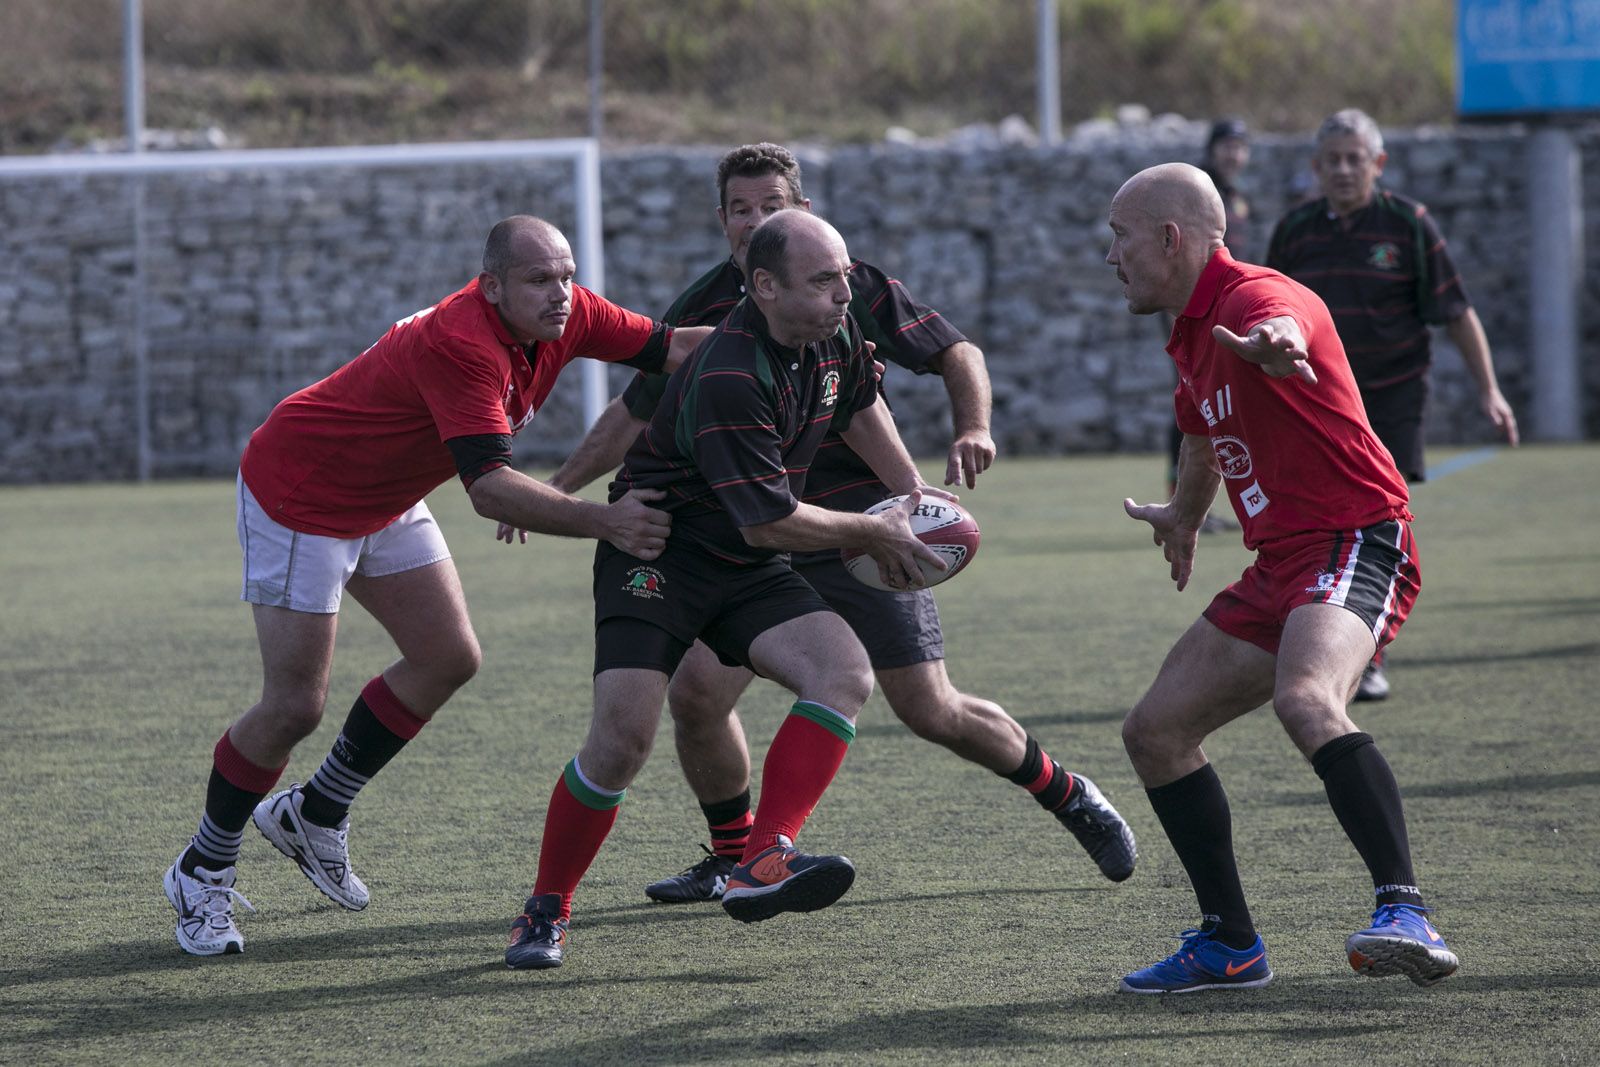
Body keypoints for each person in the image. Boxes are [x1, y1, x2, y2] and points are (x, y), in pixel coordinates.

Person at [534, 142, 1136, 909]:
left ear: (804, 211)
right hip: (758, 534)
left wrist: (914, 496)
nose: (757, 220)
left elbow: (894, 385)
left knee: (930, 707)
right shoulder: (707, 318)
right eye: (742, 209)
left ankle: (1068, 793)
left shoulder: (844, 286)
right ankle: (742, 857)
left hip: (856, 529)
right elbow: (635, 412)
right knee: (696, 695)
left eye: (773, 205)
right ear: (724, 225)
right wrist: (560, 493)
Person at [161, 215, 712, 957]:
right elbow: (488, 489)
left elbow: (672, 347)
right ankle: (203, 865)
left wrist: (789, 342)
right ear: (492, 287)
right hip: (303, 493)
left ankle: (315, 811)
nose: (561, 293)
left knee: (448, 655)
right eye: (539, 279)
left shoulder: (569, 312)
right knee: (294, 704)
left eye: (567, 274)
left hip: (382, 496)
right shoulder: (461, 342)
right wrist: (607, 520)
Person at [505, 209, 992, 971]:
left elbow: (860, 408)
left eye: (844, 274)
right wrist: (877, 532)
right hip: (661, 552)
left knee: (843, 672)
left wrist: (914, 498)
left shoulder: (831, 334)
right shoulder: (732, 371)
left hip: (744, 556)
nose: (845, 292)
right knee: (622, 740)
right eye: (825, 279)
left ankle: (764, 856)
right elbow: (769, 524)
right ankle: (545, 908)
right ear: (765, 287)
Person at [1107, 163, 1459, 993]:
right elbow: (1199, 434)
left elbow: (1287, 324)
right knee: (1154, 731)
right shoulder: (1190, 332)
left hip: (1356, 536)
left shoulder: (1256, 299)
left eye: (1120, 237)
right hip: (1282, 562)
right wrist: (1185, 516)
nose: (1110, 255)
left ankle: (1405, 909)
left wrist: (1281, 347)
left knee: (1308, 698)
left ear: (1171, 238)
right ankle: (1230, 944)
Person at [1266, 108, 1519, 701]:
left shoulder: (1408, 224)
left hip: (1393, 396)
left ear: (1378, 164)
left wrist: (1490, 389)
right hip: (1316, 404)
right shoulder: (1296, 232)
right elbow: (1268, 313)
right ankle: (1315, 634)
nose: (1345, 169)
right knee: (1317, 519)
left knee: (1379, 520)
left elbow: (1456, 312)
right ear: (1315, 168)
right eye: (1333, 160)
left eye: (1356, 158)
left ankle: (1368, 654)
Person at [1165, 118, 1253, 529]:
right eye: (1227, 145)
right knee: (1193, 402)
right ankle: (1180, 502)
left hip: (1231, 311)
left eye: (1240, 146)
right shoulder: (1198, 192)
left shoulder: (1237, 199)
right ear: (1212, 148)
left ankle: (1223, 502)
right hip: (1195, 313)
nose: (1233, 154)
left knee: (1224, 403)